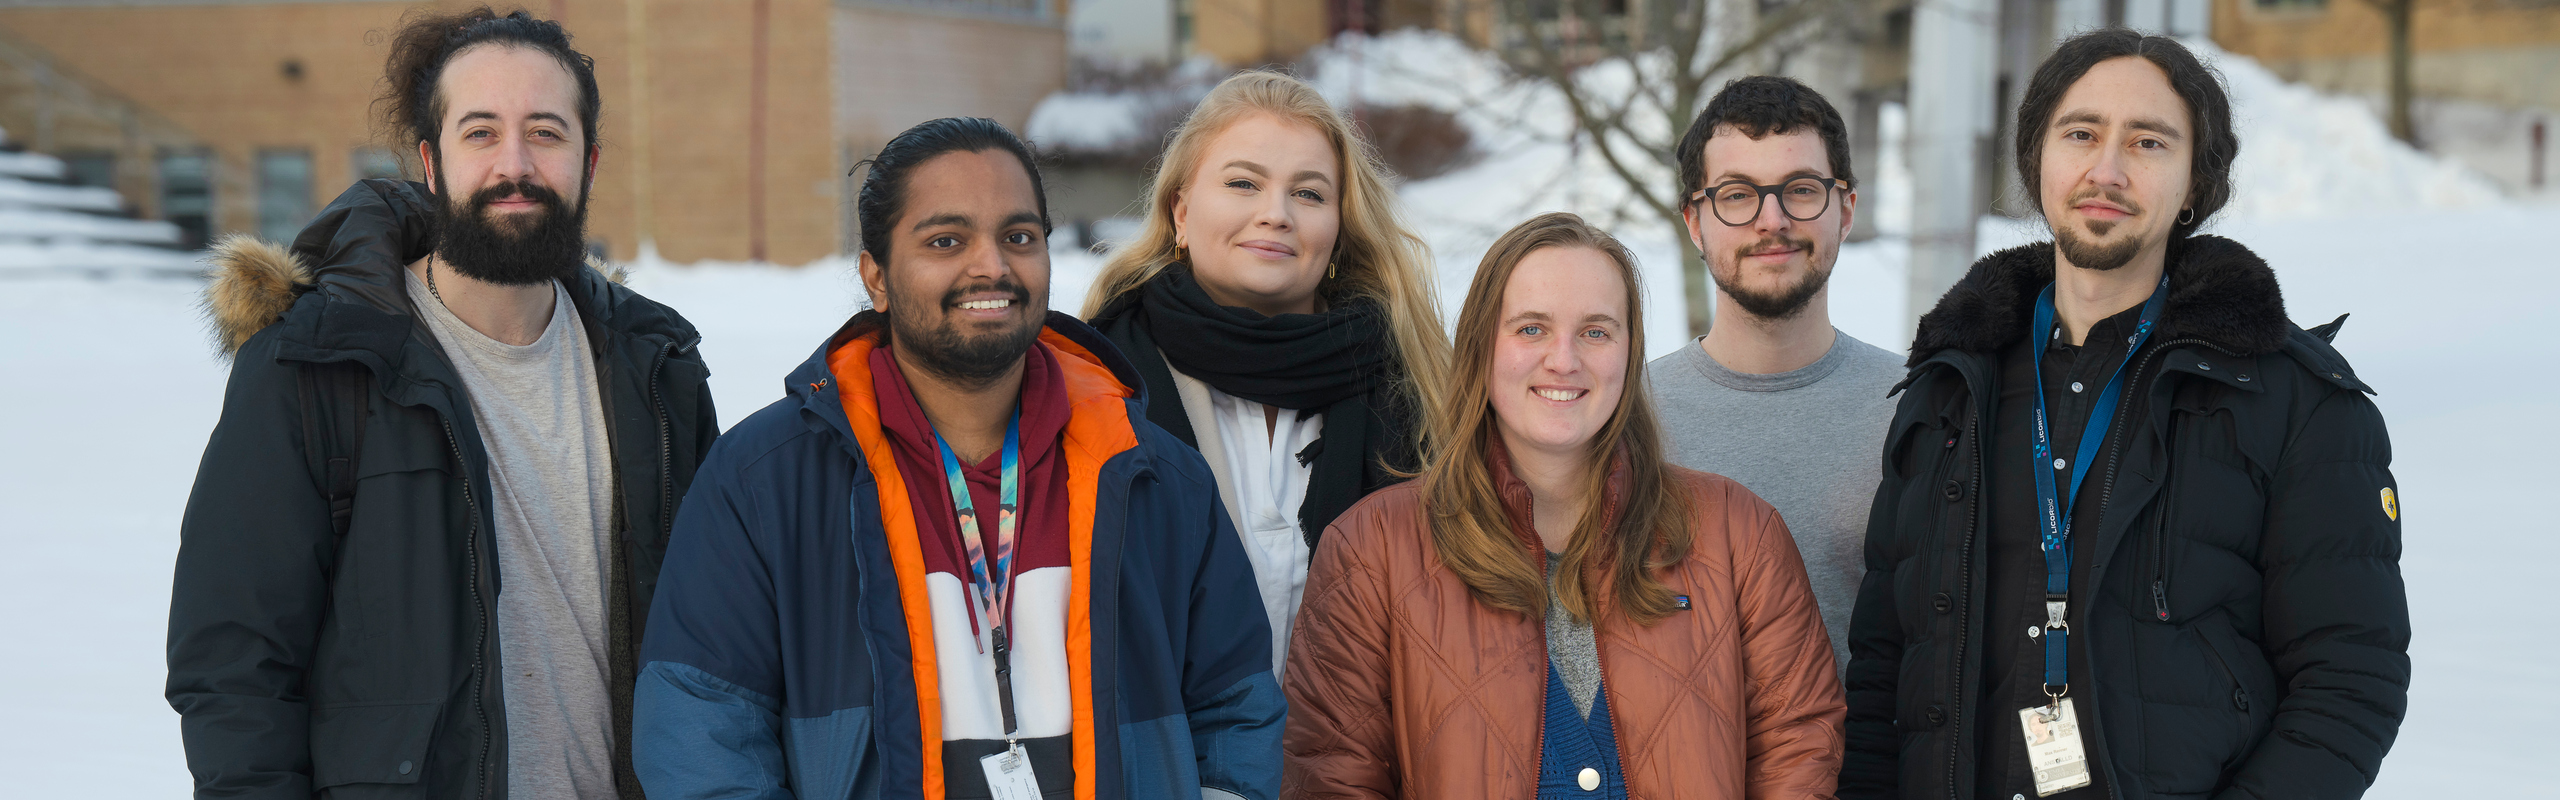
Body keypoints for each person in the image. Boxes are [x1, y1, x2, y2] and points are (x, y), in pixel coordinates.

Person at [632, 117, 1285, 800]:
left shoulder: (1153, 474)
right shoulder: (766, 479)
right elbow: (700, 733)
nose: (992, 266)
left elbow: (1234, 712)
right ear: (875, 277)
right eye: (947, 240)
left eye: (1019, 237)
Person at [1841, 29, 2408, 800]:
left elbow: (2351, 683)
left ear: (2195, 187)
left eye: (2148, 142)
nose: (2106, 170)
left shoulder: (2294, 400)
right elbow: (1883, 669)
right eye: (2081, 134)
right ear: (2036, 159)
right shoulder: (1950, 387)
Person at [169, 8, 718, 799]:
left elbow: (723, 643)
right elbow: (234, 664)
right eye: (481, 132)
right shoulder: (315, 366)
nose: (516, 164)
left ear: (589, 162)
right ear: (431, 161)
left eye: (547, 133)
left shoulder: (655, 368)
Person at [1282, 212, 1844, 799]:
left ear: (1630, 354)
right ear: (1480, 346)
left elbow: (1798, 749)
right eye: (1531, 329)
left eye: (1597, 332)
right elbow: (1334, 776)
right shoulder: (1372, 549)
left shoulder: (1739, 533)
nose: (1564, 359)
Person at [1082, 71, 1452, 674]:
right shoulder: (1098, 383)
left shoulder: (1419, 388)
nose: (1275, 213)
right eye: (1243, 183)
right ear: (1180, 211)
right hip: (1161, 765)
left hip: (1362, 765)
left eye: (1308, 194)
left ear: (1338, 228)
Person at [1648, 75, 1905, 674]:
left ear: (1845, 210)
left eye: (1801, 189)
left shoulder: (1920, 408)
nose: (1772, 220)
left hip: (1872, 767)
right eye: (1737, 194)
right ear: (1694, 220)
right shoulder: (1626, 416)